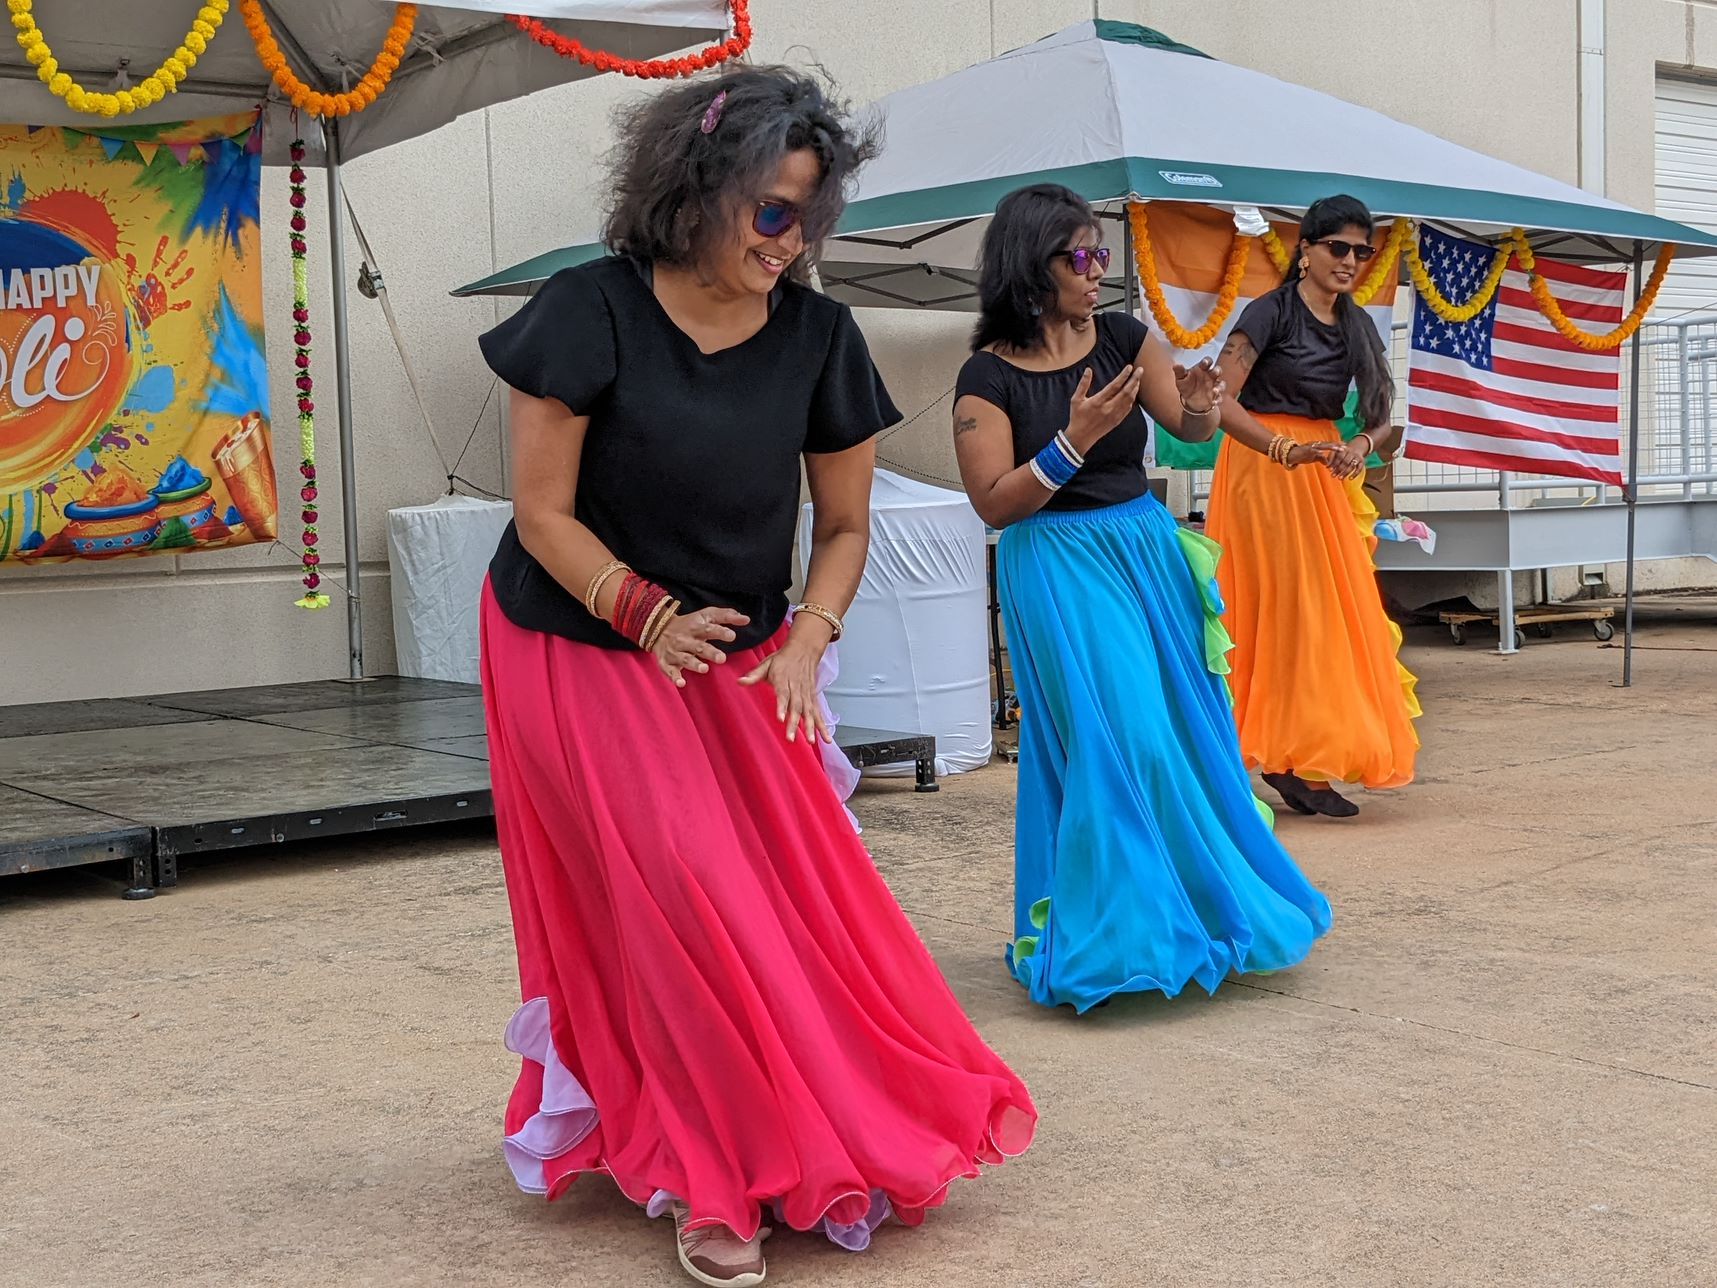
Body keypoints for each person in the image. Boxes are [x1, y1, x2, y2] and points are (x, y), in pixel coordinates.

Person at [477, 67, 1036, 1288]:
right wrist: (644, 613)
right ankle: (711, 1170)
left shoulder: (820, 337)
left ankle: (789, 1111)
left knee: (792, 900)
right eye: (771, 211)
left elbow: (845, 526)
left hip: (742, 654)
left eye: (809, 215)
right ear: (697, 189)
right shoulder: (588, 309)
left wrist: (808, 642)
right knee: (678, 895)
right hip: (576, 635)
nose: (790, 240)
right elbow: (540, 513)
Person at [950, 184, 1331, 1014]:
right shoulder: (986, 376)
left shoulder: (1126, 337)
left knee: (1183, 737)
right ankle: (1122, 935)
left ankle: (1191, 915)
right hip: (1057, 563)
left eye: (1100, 253)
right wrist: (1071, 441)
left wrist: (1199, 407)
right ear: (1031, 266)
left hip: (1143, 551)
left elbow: (1189, 429)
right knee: (1121, 738)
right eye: (1079, 256)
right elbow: (993, 502)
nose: (1098, 270)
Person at [1206, 194, 1420, 819]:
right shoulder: (1270, 312)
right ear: (1305, 250)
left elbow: (1382, 421)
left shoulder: (1356, 325)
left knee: (1326, 617)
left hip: (1321, 474)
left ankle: (1299, 755)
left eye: (1361, 251)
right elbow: (1219, 399)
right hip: (1263, 470)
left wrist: (1358, 445)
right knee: (1283, 610)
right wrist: (1280, 448)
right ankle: (1272, 755)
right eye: (1338, 248)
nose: (1350, 260)